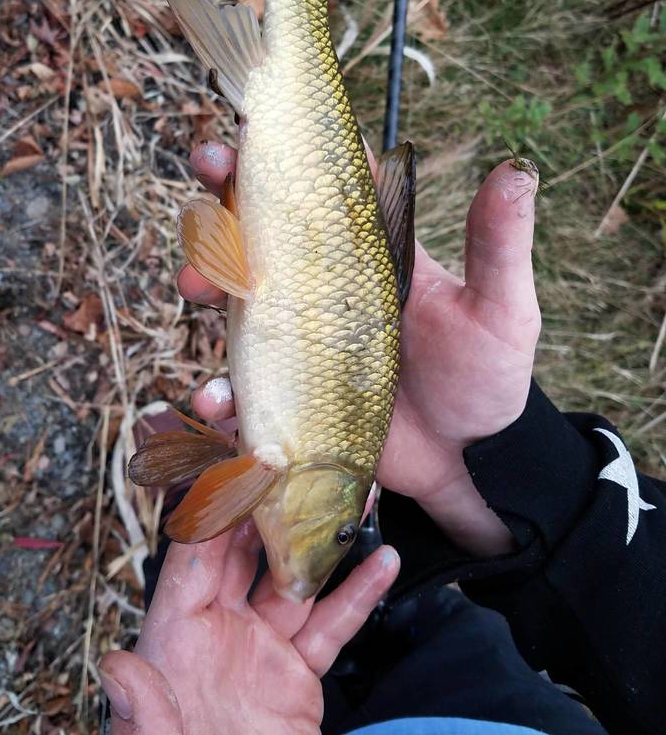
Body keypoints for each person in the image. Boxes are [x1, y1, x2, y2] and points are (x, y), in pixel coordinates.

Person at [98, 142, 665, 735]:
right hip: (490, 686)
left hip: (294, 704)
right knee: (419, 608)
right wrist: (508, 477)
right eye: (342, 530)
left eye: (343, 532)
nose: (330, 540)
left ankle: (225, 511)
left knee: (224, 532)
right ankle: (372, 573)